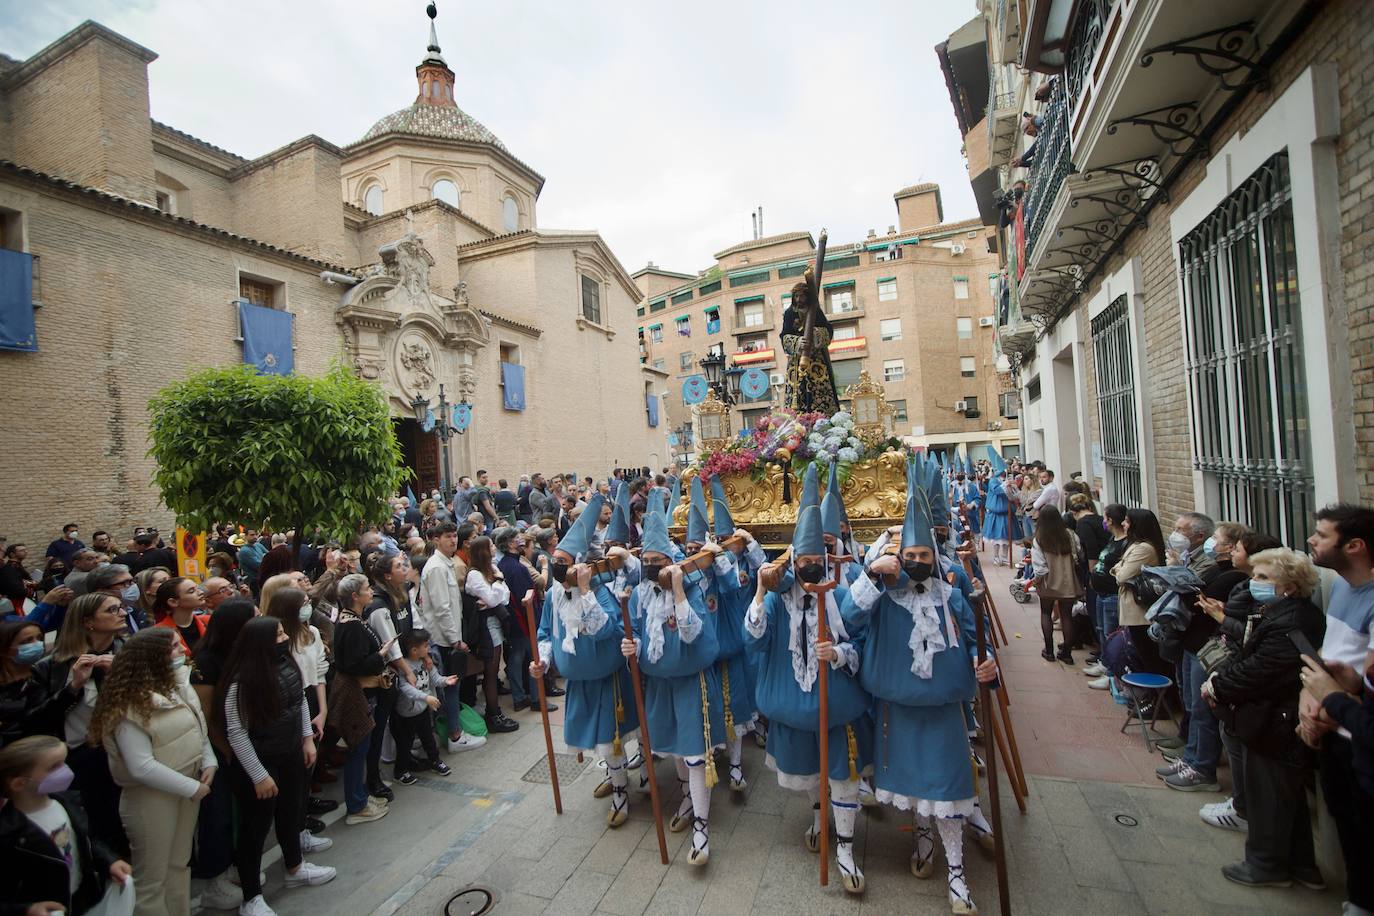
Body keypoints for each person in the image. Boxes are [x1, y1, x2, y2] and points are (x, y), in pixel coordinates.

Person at [842, 455, 999, 915]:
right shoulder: (885, 594)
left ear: (934, 557)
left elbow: (976, 641)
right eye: (908, 556)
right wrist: (874, 574)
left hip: (945, 709)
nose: (914, 562)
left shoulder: (951, 592)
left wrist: (983, 665)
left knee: (949, 784)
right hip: (897, 708)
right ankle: (924, 842)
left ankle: (956, 871)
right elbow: (849, 620)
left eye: (922, 556)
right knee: (913, 784)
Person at [745, 465, 871, 893]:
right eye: (805, 561)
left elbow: (860, 641)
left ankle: (847, 849)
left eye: (818, 561)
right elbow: (755, 638)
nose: (812, 567)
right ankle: (820, 819)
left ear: (827, 560)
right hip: (795, 705)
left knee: (842, 772)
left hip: (835, 702)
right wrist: (761, 592)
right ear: (793, 561)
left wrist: (836, 652)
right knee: (811, 773)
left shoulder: (838, 594)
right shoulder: (780, 601)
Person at [1202, 548, 1325, 889]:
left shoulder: (1291, 622)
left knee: (1268, 793)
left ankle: (1266, 865)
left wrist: (1218, 686)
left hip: (1276, 720)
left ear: (1288, 585)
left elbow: (1260, 670)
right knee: (1287, 796)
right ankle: (1301, 866)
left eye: (1262, 578)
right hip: (1276, 715)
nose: (1253, 583)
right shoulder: (1283, 614)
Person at [89, 627, 215, 916]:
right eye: (173, 648)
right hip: (151, 798)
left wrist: (209, 761)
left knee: (178, 866)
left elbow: (198, 727)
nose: (182, 651)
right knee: (152, 879)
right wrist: (192, 788)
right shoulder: (127, 705)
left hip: (190, 783)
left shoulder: (177, 686)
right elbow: (140, 766)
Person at [627, 496, 723, 866]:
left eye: (659, 562)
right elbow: (636, 630)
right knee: (673, 749)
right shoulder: (638, 594)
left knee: (695, 753)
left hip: (688, 682)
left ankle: (702, 825)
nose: (652, 568)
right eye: (647, 562)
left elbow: (691, 633)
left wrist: (679, 589)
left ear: (672, 562)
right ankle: (685, 797)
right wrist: (630, 643)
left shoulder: (693, 590)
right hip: (658, 685)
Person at [217, 616, 335, 915]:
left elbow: (299, 703)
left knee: (291, 811)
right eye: (279, 634)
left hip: (291, 752)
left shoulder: (287, 664)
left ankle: (295, 867)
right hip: (262, 761)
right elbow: (237, 732)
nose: (284, 638)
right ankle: (251, 897)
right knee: (255, 829)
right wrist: (258, 775)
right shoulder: (241, 683)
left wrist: (307, 740)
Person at [1299, 503, 1374, 914]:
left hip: (1357, 737)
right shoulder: (1342, 587)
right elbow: (1330, 657)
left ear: (1355, 545)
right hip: (1329, 727)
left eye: (1322, 534)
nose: (1312, 540)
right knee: (1347, 826)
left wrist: (1335, 701)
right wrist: (1308, 706)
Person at [1192, 530, 1282, 833]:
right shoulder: (1246, 587)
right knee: (1225, 730)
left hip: (1244, 682)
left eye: (1237, 547)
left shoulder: (1283, 616)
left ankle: (1244, 809)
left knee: (1237, 738)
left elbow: (1250, 639)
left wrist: (1220, 617)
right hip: (1233, 673)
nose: (1229, 551)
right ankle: (1241, 803)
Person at [32, 592, 130, 855]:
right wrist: (72, 687)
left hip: (130, 750)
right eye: (112, 610)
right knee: (101, 826)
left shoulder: (128, 651)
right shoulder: (53, 666)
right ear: (88, 622)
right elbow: (37, 720)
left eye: (121, 608)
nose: (122, 613)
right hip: (87, 757)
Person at [0, 735, 132, 916]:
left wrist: (109, 860)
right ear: (19, 783)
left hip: (80, 900)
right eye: (54, 767)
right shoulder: (8, 832)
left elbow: (86, 839)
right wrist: (26, 909)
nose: (65, 770)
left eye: (64, 762)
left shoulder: (67, 803)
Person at [1160, 520, 1248, 793]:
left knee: (1202, 709)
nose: (1214, 543)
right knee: (1191, 702)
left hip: (1207, 646)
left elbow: (1197, 602)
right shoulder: (1216, 569)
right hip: (1192, 642)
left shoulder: (1233, 577)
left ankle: (1202, 767)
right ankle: (1191, 757)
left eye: (1218, 539)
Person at [187, 598, 256, 911]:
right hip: (221, 747)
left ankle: (237, 867)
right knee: (220, 815)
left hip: (244, 740)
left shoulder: (242, 650)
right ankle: (215, 880)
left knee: (243, 811)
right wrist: (228, 751)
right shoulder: (207, 661)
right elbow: (208, 716)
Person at [263, 586, 333, 850]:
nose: (308, 606)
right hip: (291, 705)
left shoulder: (312, 633)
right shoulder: (278, 642)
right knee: (295, 775)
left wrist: (323, 711)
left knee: (308, 768)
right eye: (302, 602)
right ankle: (295, 831)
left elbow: (319, 674)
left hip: (312, 702)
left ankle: (301, 824)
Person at [328, 574, 394, 826]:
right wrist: (381, 654)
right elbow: (354, 665)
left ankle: (361, 797)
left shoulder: (354, 620)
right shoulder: (351, 625)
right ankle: (356, 805)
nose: (371, 591)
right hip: (358, 694)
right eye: (367, 588)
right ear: (354, 596)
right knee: (358, 749)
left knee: (363, 748)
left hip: (365, 692)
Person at [417, 523, 485, 755]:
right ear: (436, 539)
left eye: (455, 536)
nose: (453, 540)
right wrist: (455, 640)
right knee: (449, 687)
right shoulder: (436, 567)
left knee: (450, 687)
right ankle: (455, 734)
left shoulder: (445, 564)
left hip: (447, 637)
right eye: (448, 536)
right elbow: (441, 608)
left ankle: (451, 731)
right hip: (442, 640)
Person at [363, 554, 413, 802]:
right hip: (386, 675)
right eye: (398, 567)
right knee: (381, 726)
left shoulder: (398, 595)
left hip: (399, 667)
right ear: (386, 575)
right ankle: (374, 778)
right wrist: (407, 669)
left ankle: (402, 759)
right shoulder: (379, 606)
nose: (404, 570)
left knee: (400, 720)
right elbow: (390, 646)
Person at [464, 536, 518, 733]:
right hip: (485, 627)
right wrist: (498, 584)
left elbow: (504, 597)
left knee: (493, 670)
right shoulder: (475, 575)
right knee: (490, 671)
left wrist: (496, 589)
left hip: (495, 623)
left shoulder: (491, 569)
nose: (495, 548)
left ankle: (495, 711)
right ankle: (493, 713)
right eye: (491, 545)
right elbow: (494, 598)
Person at [391, 629, 455, 785]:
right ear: (414, 650)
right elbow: (406, 689)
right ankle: (400, 771)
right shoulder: (404, 667)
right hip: (407, 713)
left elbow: (434, 678)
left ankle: (435, 761)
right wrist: (426, 697)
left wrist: (445, 680)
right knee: (405, 743)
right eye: (426, 646)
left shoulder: (426, 661)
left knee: (428, 737)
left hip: (422, 709)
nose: (429, 649)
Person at [1112, 508, 1167, 675]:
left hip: (1140, 612)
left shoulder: (1144, 549)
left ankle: (1159, 697)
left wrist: (1119, 569)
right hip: (1133, 610)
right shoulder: (1135, 545)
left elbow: (1122, 575)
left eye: (1127, 521)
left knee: (1148, 656)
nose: (1123, 524)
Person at [780, 275, 840, 415]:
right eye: (796, 296)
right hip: (797, 360)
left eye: (802, 296)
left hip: (816, 359)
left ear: (807, 297)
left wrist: (816, 334)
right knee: (797, 394)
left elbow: (828, 330)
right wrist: (797, 342)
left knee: (819, 392)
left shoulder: (816, 311)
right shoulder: (789, 313)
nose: (799, 300)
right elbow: (784, 336)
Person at [1031, 506, 1083, 664]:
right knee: (1066, 616)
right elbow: (1079, 554)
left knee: (1046, 613)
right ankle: (1067, 653)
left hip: (1048, 582)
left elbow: (1039, 567)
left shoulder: (1040, 538)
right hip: (1068, 582)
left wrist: (1036, 581)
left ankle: (1049, 651)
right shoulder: (1070, 535)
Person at [0, 619, 51, 745]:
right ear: (5, 650)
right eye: (27, 641)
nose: (37, 644)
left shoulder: (45, 673)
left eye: (39, 638)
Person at [1068, 494, 1107, 652]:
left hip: (1096, 574)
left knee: (1096, 613)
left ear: (1073, 512)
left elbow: (1091, 551)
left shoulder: (1083, 524)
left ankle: (1103, 653)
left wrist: (1092, 575)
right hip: (1104, 571)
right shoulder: (1098, 519)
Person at [981, 454, 1023, 566]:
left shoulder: (1009, 480)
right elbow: (997, 491)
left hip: (1008, 512)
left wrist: (1012, 486)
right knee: (996, 538)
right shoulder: (993, 481)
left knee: (1006, 537)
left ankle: (1004, 557)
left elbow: (1015, 495)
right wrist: (1005, 485)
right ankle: (996, 556)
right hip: (996, 513)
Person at [151, 577, 210, 655]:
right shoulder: (158, 632)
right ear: (173, 602)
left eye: (198, 588)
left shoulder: (208, 621)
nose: (201, 592)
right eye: (191, 591)